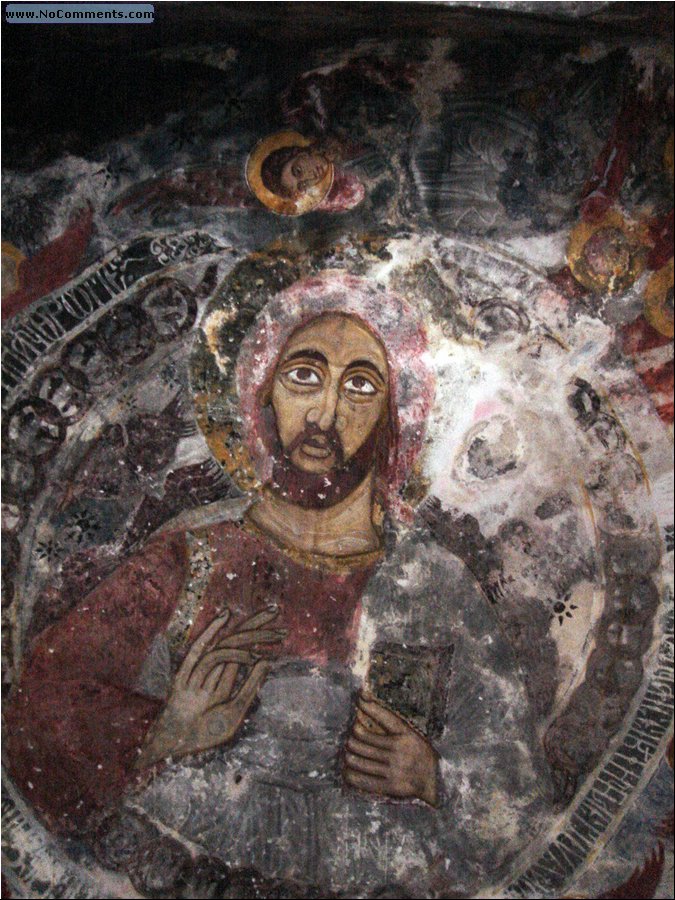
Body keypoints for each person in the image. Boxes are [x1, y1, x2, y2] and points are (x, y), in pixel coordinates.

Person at [6, 272, 552, 898]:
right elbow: (36, 715)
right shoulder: (192, 558)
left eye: (360, 387)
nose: (325, 413)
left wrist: (434, 776)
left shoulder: (431, 585)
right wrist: (166, 731)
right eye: (304, 376)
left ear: (392, 423)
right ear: (260, 396)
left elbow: (522, 798)